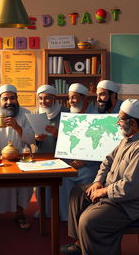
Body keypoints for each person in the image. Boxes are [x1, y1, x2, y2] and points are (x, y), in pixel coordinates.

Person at [61, 98, 139, 255]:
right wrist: (97, 182)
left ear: (134, 124)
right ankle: (80, 243)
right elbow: (107, 162)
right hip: (112, 191)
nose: (117, 123)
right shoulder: (127, 140)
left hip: (128, 204)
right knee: (77, 193)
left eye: (121, 119)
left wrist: (103, 192)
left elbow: (129, 188)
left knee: (88, 221)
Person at [0, 84, 35, 230]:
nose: (9, 102)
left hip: (20, 159)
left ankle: (20, 213)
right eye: (5, 98)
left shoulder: (26, 114)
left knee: (23, 186)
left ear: (17, 99)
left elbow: (31, 140)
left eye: (12, 98)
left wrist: (17, 127)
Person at [59, 83, 100, 221]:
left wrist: (85, 161)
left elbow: (101, 144)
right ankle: (66, 218)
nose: (71, 101)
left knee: (88, 187)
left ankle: (84, 219)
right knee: (63, 180)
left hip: (90, 166)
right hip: (70, 164)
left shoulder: (98, 116)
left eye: (74, 98)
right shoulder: (68, 115)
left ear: (85, 99)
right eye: (69, 98)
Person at [33, 84, 68, 218]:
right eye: (40, 98)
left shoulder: (65, 112)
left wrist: (58, 134)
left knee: (59, 185)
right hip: (41, 154)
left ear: (54, 98)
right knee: (40, 185)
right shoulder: (36, 113)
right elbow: (32, 137)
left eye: (47, 98)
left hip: (60, 156)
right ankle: (43, 210)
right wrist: (36, 138)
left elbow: (73, 136)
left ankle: (60, 212)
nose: (43, 102)